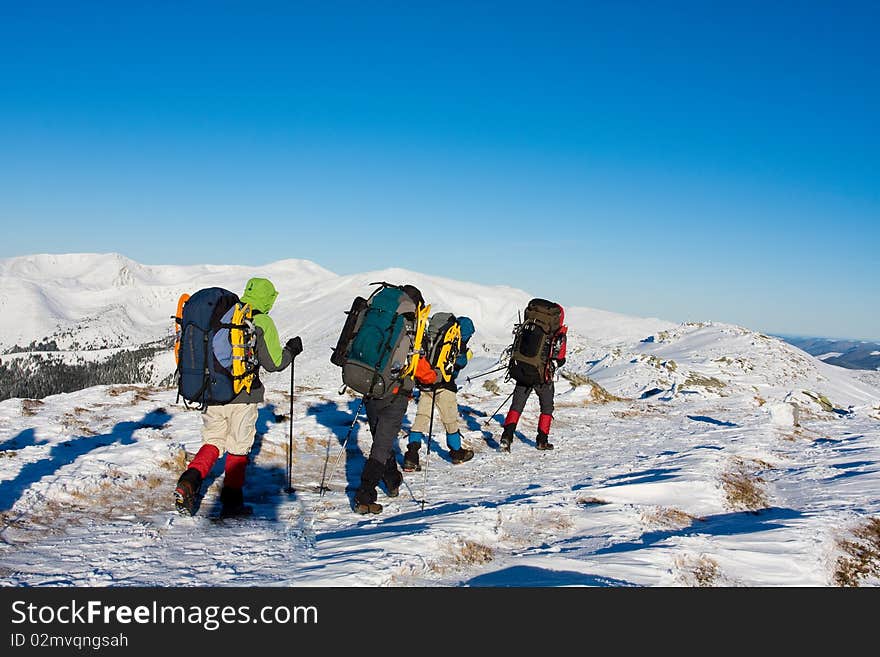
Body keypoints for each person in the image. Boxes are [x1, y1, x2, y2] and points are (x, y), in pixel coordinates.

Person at [174, 277, 303, 517]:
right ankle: (232, 503)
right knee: (238, 447)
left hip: (211, 391)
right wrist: (291, 351)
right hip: (243, 395)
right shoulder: (261, 320)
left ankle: (188, 482)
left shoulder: (227, 314)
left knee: (213, 441)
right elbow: (274, 363)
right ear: (268, 298)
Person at [354, 284, 438, 515]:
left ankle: (392, 480)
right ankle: (365, 493)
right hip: (395, 393)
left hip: (371, 386)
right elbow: (420, 368)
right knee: (381, 444)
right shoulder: (410, 326)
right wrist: (435, 376)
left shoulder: (380, 316)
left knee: (381, 439)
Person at [403, 315, 476, 471]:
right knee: (449, 420)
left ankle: (411, 455)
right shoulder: (456, 342)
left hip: (426, 383)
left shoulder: (434, 336)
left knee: (421, 417)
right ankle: (456, 452)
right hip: (445, 386)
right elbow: (460, 363)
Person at [500, 303, 567, 451]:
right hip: (542, 376)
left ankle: (507, 436)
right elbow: (560, 358)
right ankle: (542, 441)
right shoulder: (557, 333)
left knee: (516, 406)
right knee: (547, 408)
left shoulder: (530, 325)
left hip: (523, 370)